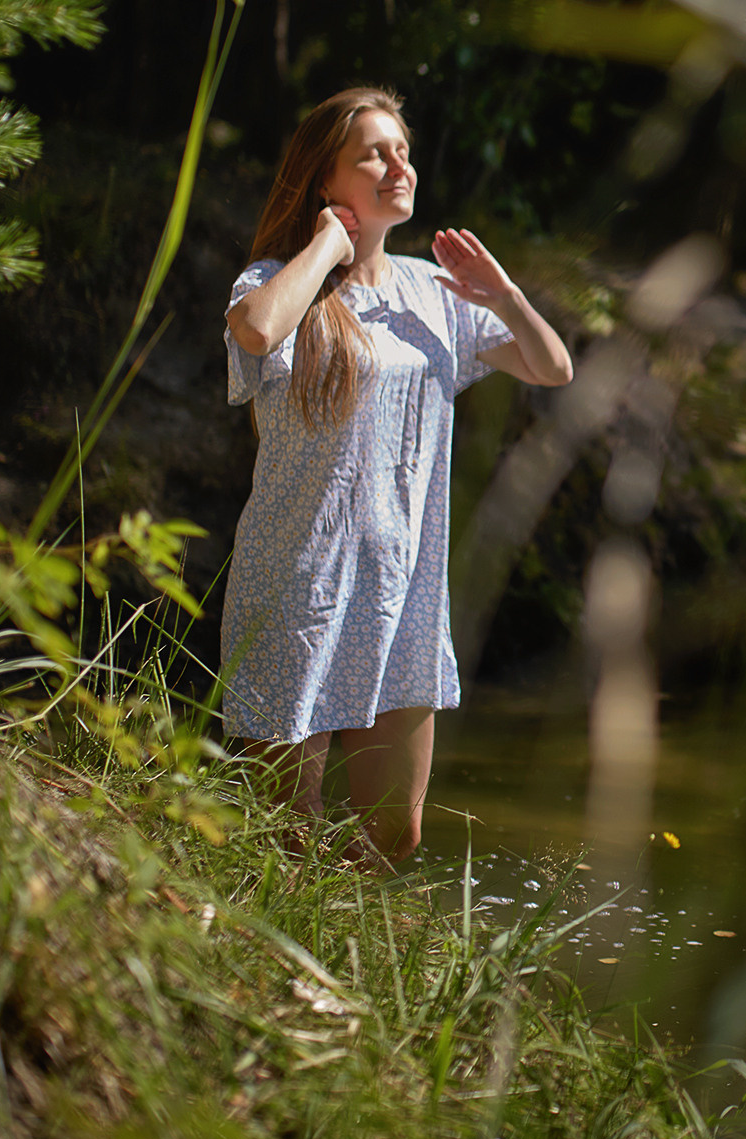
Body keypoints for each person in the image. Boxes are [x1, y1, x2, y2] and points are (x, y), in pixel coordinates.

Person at [219, 86, 572, 865]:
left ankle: (332, 957)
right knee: (284, 825)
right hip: (298, 584)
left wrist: (504, 296)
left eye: (402, 150)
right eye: (373, 153)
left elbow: (554, 367)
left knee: (394, 834)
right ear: (324, 180)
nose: (397, 165)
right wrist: (326, 249)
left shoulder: (431, 292)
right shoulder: (281, 280)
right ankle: (280, 972)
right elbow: (255, 330)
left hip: (401, 591)